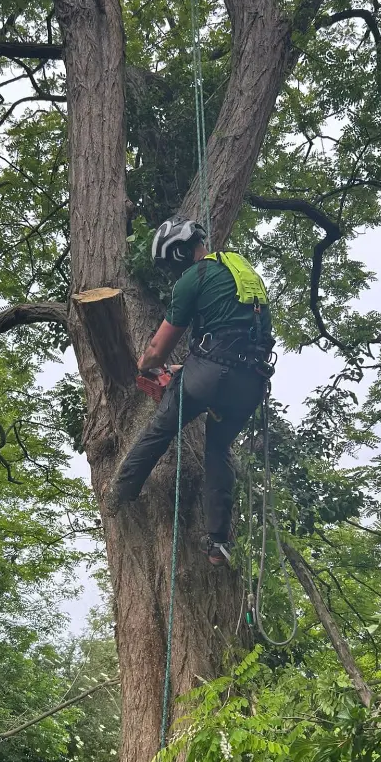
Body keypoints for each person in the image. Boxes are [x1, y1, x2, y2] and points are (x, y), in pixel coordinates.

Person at [106, 215, 275, 565]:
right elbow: (231, 338)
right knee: (218, 447)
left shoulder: (193, 278)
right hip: (250, 382)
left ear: (180, 253)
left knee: (160, 429)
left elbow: (157, 348)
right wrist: (191, 366)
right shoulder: (244, 275)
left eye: (171, 263)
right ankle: (218, 542)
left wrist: (146, 366)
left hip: (212, 375)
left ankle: (119, 494)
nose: (172, 272)